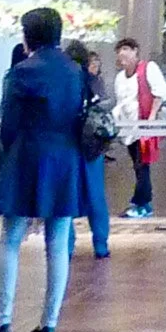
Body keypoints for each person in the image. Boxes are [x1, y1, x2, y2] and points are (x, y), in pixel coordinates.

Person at [0, 6, 85, 332]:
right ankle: (48, 323)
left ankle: (2, 318)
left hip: (28, 155)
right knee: (57, 243)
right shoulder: (74, 71)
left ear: (27, 36)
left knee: (10, 239)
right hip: (65, 158)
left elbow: (8, 125)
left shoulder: (22, 72)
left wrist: (9, 152)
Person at [112, 34, 166, 219]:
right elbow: (121, 102)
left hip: (144, 125)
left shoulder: (148, 68)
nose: (123, 56)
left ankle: (142, 202)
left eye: (126, 50)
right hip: (129, 127)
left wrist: (151, 118)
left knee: (142, 163)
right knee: (138, 164)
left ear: (134, 51)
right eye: (120, 52)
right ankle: (141, 201)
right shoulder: (120, 77)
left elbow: (160, 93)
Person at [67, 40, 113, 257]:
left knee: (66, 195)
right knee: (96, 195)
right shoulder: (93, 82)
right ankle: (101, 243)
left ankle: (67, 243)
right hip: (93, 144)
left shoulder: (66, 81)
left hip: (68, 144)